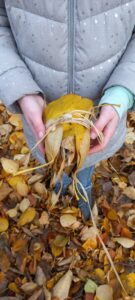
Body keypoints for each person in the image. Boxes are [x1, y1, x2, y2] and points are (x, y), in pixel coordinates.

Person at [0, 0, 134, 220]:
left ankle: (83, 187)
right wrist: (20, 88)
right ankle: (61, 183)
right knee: (56, 162)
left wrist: (123, 91)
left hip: (100, 118)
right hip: (42, 119)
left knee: (85, 163)